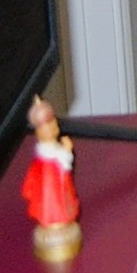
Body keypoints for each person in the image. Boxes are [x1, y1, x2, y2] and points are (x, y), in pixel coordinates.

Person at [20, 96, 80, 262]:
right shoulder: (48, 157)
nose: (53, 128)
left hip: (56, 191)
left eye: (53, 123)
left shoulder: (47, 153)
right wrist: (67, 151)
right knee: (53, 205)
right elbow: (63, 168)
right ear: (39, 131)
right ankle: (54, 220)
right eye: (48, 126)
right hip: (54, 195)